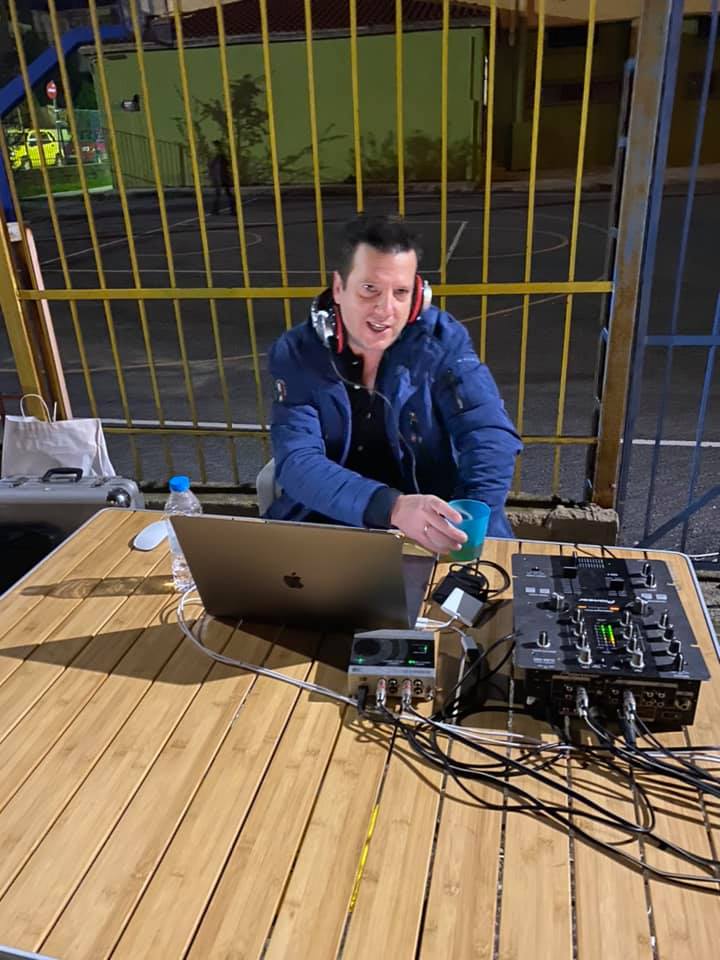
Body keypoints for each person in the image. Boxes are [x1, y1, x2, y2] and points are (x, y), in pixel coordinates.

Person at [262, 215, 522, 554]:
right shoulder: (297, 353)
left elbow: (489, 434)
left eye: (401, 292)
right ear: (339, 288)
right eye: (370, 289)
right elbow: (297, 461)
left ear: (418, 296)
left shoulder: (442, 341)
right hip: (329, 518)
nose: (386, 309)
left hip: (435, 521)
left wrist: (465, 521)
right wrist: (392, 508)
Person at [209, 140, 234, 215]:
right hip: (222, 177)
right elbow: (227, 164)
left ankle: (216, 210)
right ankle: (233, 210)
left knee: (220, 194)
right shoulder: (220, 156)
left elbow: (215, 167)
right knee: (226, 193)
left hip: (220, 178)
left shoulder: (219, 156)